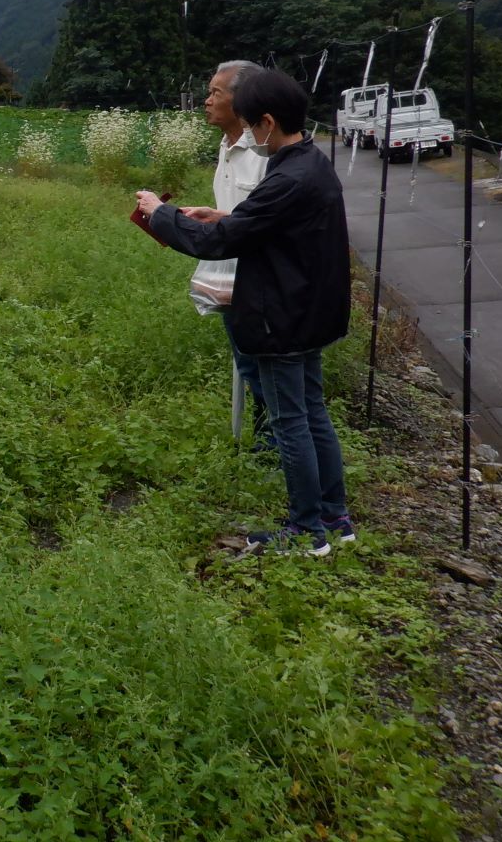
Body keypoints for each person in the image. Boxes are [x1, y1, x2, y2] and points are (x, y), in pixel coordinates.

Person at [135, 67, 354, 556]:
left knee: (288, 421)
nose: (252, 132)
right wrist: (226, 215)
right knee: (313, 412)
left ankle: (305, 531)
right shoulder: (310, 164)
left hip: (281, 317)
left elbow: (219, 243)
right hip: (311, 312)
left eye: (253, 123)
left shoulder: (284, 176)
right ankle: (334, 516)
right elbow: (261, 225)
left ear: (268, 123)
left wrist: (159, 211)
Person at [194, 60, 272, 451]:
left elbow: (266, 223)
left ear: (242, 101)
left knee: (266, 372)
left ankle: (273, 452)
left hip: (264, 285)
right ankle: (262, 445)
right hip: (233, 280)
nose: (206, 101)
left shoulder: (264, 155)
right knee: (247, 365)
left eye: (215, 93)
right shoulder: (227, 147)